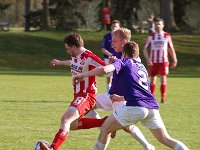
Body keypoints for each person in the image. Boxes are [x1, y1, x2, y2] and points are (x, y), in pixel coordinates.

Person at [73, 41, 189, 150]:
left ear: (123, 53)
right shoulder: (141, 67)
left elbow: (104, 70)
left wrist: (83, 74)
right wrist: (120, 98)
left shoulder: (123, 61)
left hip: (135, 107)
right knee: (165, 139)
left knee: (105, 129)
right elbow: (140, 92)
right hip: (152, 108)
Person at [87, 28, 155, 150]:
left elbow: (128, 66)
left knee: (127, 127)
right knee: (87, 103)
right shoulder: (116, 54)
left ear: (124, 42)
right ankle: (105, 125)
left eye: (115, 41)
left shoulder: (132, 55)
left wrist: (115, 62)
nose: (112, 44)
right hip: (111, 95)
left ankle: (147, 146)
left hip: (122, 99)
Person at [39, 33, 108, 150]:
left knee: (65, 119)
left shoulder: (89, 56)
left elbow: (106, 68)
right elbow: (73, 63)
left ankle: (53, 148)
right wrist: (60, 62)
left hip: (87, 95)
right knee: (72, 125)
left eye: (67, 48)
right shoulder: (76, 56)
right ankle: (105, 122)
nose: (67, 51)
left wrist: (111, 63)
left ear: (74, 47)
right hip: (78, 95)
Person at [143, 18, 178, 103]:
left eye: (159, 24)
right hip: (153, 62)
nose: (158, 25)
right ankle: (151, 98)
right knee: (152, 80)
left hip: (163, 61)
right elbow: (145, 48)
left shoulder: (167, 36)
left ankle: (163, 98)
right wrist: (147, 59)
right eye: (156, 24)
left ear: (163, 25)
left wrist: (174, 59)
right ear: (154, 25)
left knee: (163, 79)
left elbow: (170, 48)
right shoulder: (151, 36)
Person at [101, 19, 121, 91]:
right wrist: (111, 55)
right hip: (108, 59)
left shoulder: (121, 37)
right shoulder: (107, 37)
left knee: (118, 76)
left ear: (119, 27)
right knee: (109, 77)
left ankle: (117, 93)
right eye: (113, 26)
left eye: (116, 26)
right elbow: (103, 48)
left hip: (119, 59)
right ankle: (109, 92)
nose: (114, 28)